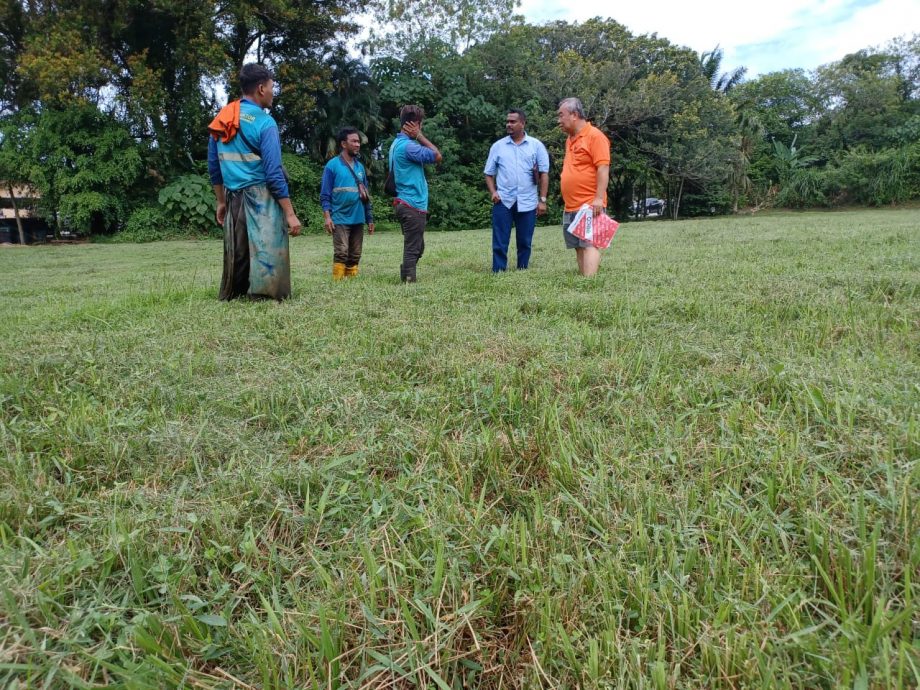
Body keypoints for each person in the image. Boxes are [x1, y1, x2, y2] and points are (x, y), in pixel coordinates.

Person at [207, 63, 301, 301]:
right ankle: (265, 295)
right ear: (261, 88)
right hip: (262, 197)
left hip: (233, 196)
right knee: (267, 247)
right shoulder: (265, 122)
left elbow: (214, 166)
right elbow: (273, 173)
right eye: (271, 87)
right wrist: (289, 212)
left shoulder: (223, 118)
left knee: (237, 252)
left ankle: (234, 293)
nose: (273, 92)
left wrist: (220, 201)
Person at [484, 109, 549, 272]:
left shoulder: (536, 146)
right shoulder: (498, 146)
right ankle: (498, 270)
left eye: (513, 121)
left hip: (528, 201)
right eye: (508, 121)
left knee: (525, 240)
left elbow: (544, 174)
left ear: (523, 123)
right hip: (503, 200)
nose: (508, 124)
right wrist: (493, 192)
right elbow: (488, 173)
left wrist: (542, 200)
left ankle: (522, 268)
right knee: (500, 240)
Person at [557, 97, 610, 277]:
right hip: (571, 205)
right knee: (578, 245)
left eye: (561, 115)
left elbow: (603, 168)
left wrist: (598, 199)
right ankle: (583, 280)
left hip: (590, 203)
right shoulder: (570, 140)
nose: (559, 121)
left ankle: (590, 283)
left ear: (574, 115)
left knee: (589, 243)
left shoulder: (595, 136)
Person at [389, 105, 442, 283]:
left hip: (405, 203)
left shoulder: (395, 144)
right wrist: (419, 136)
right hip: (412, 204)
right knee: (413, 248)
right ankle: (409, 281)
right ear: (416, 124)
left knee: (418, 247)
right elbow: (437, 156)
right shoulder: (408, 147)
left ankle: (405, 271)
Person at [320, 127, 375, 280]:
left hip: (358, 217)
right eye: (354, 141)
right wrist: (327, 217)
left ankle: (351, 282)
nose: (358, 144)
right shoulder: (332, 166)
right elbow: (325, 195)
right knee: (341, 251)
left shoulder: (360, 167)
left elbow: (365, 195)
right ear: (344, 144)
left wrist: (369, 218)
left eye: (358, 141)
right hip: (340, 217)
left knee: (355, 253)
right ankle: (337, 282)